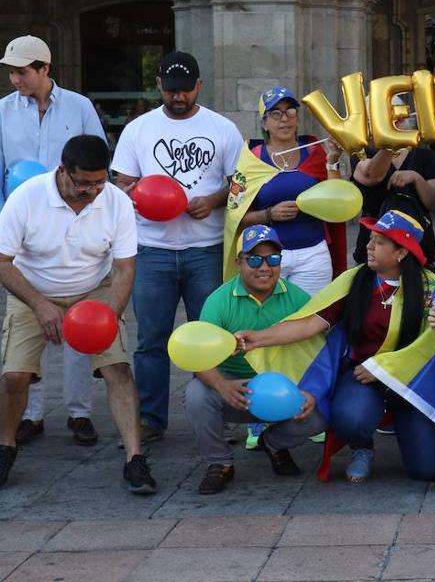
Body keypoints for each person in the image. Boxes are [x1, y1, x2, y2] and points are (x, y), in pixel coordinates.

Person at [237, 210, 435, 484]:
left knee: (427, 471)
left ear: (402, 253)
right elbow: (308, 324)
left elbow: (431, 345)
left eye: (379, 242)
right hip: (360, 375)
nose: (368, 246)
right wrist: (257, 338)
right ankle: (362, 447)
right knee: (351, 417)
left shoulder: (431, 287)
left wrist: (385, 367)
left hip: (410, 381)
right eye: (370, 239)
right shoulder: (356, 279)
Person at [0, 136, 154, 493]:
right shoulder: (27, 198)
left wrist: (111, 315)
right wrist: (39, 304)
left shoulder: (114, 201)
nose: (92, 191)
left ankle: (135, 458)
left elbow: (124, 267)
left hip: (93, 290)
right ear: (62, 171)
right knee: (14, 376)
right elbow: (3, 261)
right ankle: (6, 446)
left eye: (99, 182)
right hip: (32, 290)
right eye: (83, 182)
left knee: (118, 368)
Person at [111, 51, 242, 441]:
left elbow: (241, 183)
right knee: (151, 340)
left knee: (215, 337)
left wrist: (214, 200)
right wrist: (140, 196)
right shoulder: (138, 130)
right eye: (171, 91)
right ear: (159, 87)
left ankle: (222, 413)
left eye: (185, 90)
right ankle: (151, 420)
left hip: (207, 249)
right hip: (152, 250)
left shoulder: (222, 128)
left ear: (199, 86)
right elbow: (121, 183)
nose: (178, 97)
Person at [0, 34, 106, 448]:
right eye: (11, 71)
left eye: (22, 71)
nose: (14, 79)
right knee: (28, 322)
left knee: (79, 320)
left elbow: (98, 157)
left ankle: (80, 412)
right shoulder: (2, 112)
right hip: (24, 229)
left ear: (44, 69)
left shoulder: (79, 107)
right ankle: (31, 412)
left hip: (76, 224)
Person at [183, 225, 325, 494]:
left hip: (282, 386)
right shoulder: (219, 301)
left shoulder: (297, 297)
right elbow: (198, 356)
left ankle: (275, 444)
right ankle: (220, 462)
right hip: (235, 388)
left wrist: (312, 389)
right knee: (195, 395)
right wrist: (222, 385)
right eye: (254, 259)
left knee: (320, 413)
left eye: (273, 259)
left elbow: (317, 348)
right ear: (238, 263)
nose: (265, 267)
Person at [225, 86, 347, 294]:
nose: (285, 119)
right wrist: (269, 214)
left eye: (290, 111)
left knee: (311, 319)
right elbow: (236, 216)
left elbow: (336, 203)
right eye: (276, 113)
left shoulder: (315, 152)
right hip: (265, 260)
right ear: (264, 122)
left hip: (313, 255)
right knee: (269, 321)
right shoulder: (251, 159)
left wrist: (332, 163)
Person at [352, 136, 435, 269]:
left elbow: (434, 202)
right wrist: (391, 140)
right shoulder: (361, 153)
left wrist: (416, 178)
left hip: (417, 248)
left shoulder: (424, 155)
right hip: (373, 251)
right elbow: (373, 175)